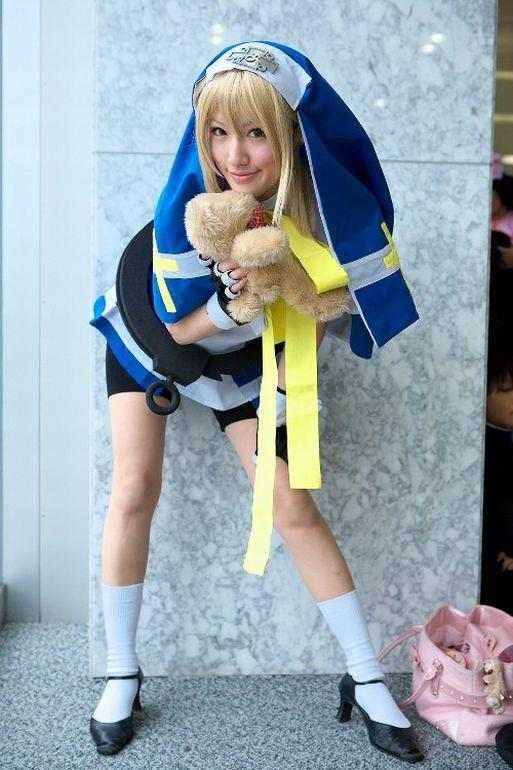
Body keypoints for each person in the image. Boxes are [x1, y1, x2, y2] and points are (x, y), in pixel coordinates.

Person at [89, 41, 422, 762]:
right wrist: (233, 303)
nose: (234, 155)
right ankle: (121, 671)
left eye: (254, 133)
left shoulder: (319, 219)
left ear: (291, 135)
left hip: (247, 366)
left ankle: (366, 678)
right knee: (134, 487)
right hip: (149, 344)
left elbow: (317, 315)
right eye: (216, 133)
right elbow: (176, 328)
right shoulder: (192, 212)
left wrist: (288, 353)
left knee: (292, 504)